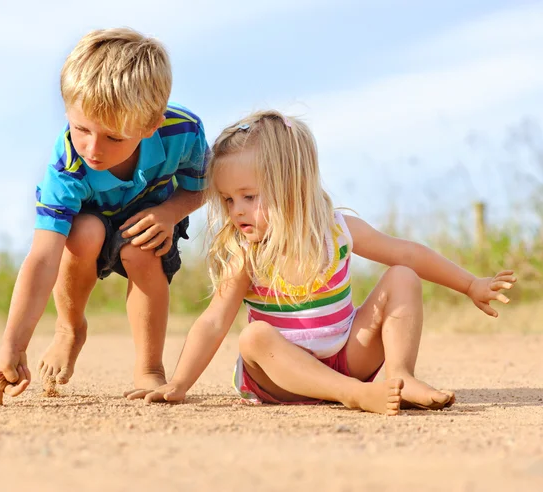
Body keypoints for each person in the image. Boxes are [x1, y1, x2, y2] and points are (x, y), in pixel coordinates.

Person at [124, 110, 516, 415]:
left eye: (248, 196)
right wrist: (178, 383)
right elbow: (213, 321)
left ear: (291, 186)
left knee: (402, 276)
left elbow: (408, 253)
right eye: (228, 200)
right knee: (253, 338)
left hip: (347, 357)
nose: (236, 211)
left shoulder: (337, 230)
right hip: (281, 379)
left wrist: (470, 284)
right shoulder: (246, 252)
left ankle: (398, 375)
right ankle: (356, 395)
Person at [0, 28, 208, 405]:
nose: (93, 148)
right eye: (81, 129)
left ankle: (149, 367)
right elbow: (43, 258)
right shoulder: (68, 168)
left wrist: (170, 212)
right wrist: (13, 344)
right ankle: (70, 328)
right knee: (83, 232)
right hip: (88, 219)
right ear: (67, 112)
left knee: (141, 249)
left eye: (113, 137)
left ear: (150, 125)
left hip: (153, 211)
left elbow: (205, 185)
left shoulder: (183, 134)